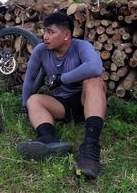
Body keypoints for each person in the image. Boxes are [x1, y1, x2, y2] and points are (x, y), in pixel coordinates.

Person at [17, 11, 107, 178]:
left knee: (94, 81)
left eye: (51, 32)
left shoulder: (82, 46)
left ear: (66, 35)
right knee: (33, 100)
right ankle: (49, 140)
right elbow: (29, 80)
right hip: (63, 105)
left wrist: (62, 79)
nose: (45, 36)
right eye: (45, 31)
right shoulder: (41, 51)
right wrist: (24, 105)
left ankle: (90, 147)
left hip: (86, 102)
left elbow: (95, 67)